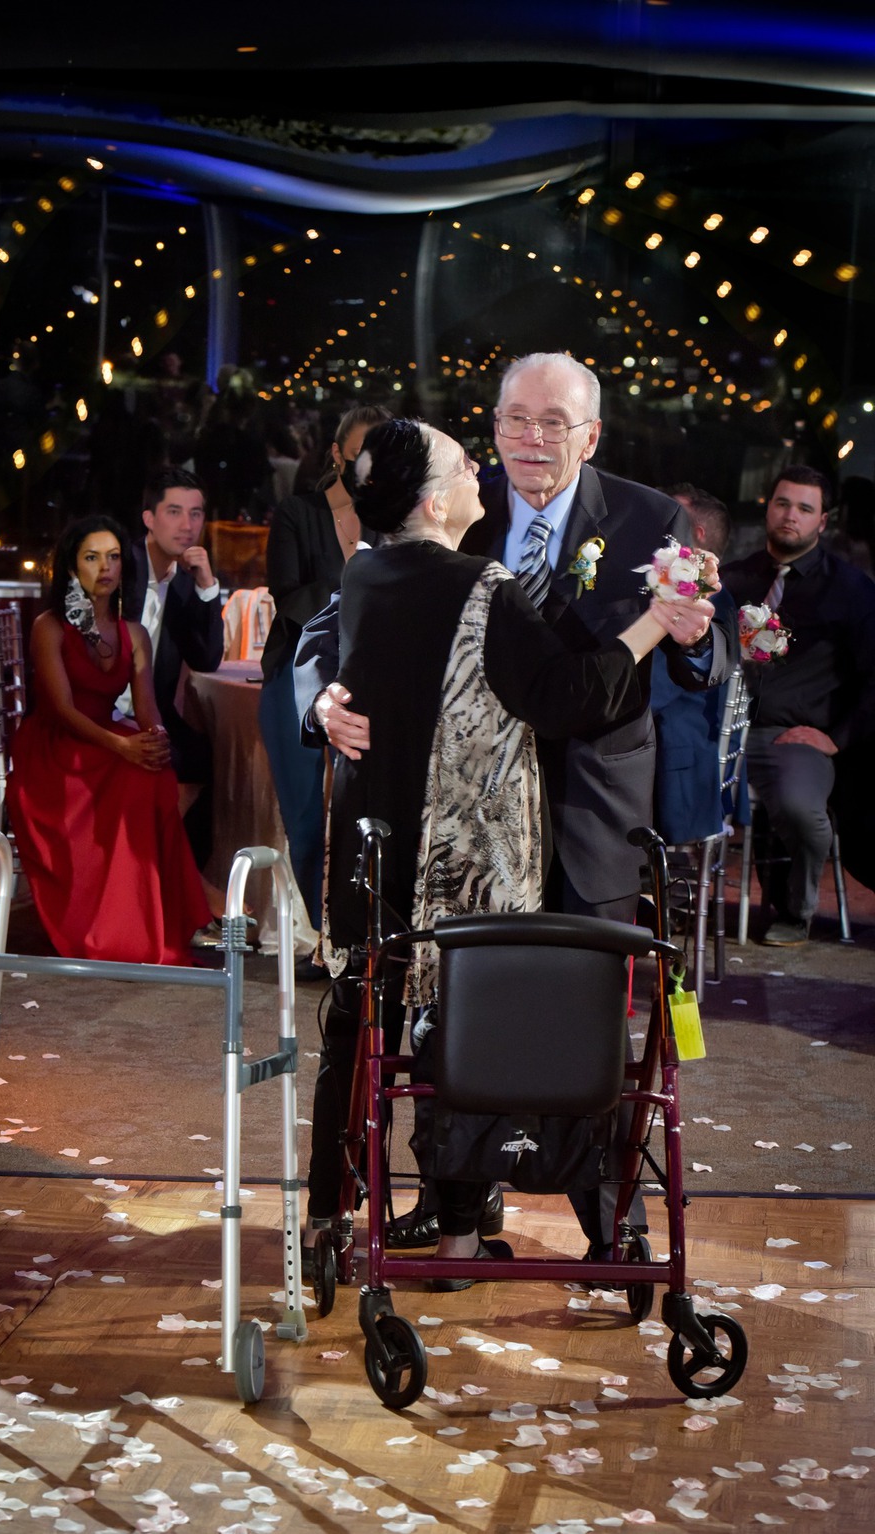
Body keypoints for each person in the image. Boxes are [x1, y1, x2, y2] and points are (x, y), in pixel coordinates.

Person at [295, 351, 736, 1255]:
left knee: (587, 1033)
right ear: (491, 426)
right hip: (465, 833)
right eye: (513, 421)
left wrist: (686, 636)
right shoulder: (453, 501)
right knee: (450, 1017)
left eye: (553, 423)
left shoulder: (654, 518)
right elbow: (332, 627)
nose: (530, 441)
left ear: (592, 435)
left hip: (586, 816)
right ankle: (459, 1206)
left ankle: (611, 1220)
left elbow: (706, 658)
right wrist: (321, 699)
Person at [6, 515, 220, 964]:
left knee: (159, 776)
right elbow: (61, 711)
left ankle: (151, 921)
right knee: (137, 782)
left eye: (113, 557)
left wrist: (155, 739)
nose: (104, 567)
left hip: (106, 741)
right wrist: (122, 746)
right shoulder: (49, 626)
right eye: (91, 557)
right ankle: (110, 928)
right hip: (55, 750)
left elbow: (147, 710)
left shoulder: (134, 633)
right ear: (71, 567)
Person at [722, 467, 875, 944]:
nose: (791, 516)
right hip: (721, 731)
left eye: (804, 509)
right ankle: (655, 897)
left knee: (801, 810)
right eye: (783, 504)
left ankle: (795, 911)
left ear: (821, 522)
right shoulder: (732, 579)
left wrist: (837, 738)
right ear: (768, 507)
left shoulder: (851, 591)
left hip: (792, 738)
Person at [259, 403, 390, 944]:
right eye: (359, 456)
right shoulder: (298, 513)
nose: (368, 471)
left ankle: (359, 936)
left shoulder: (394, 522)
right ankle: (324, 934)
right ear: (338, 454)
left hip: (374, 683)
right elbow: (288, 596)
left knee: (368, 821)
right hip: (299, 680)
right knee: (308, 820)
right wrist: (356, 588)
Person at [120, 468, 223, 868]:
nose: (187, 525)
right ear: (149, 518)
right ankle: (160, 870)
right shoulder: (121, 566)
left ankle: (171, 871)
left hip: (153, 715)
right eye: (175, 512)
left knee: (206, 758)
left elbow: (207, 659)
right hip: (103, 712)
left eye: (196, 514)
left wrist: (208, 585)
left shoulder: (184, 581)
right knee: (162, 764)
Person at [651, 485, 736, 846]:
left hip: (672, 757)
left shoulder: (708, 597)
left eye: (668, 517)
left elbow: (658, 689)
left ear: (695, 535)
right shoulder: (658, 585)